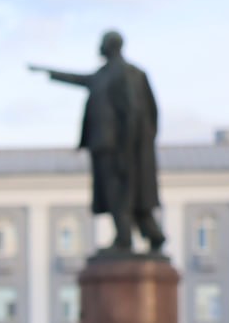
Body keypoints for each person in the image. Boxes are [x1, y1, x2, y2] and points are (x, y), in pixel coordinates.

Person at [30, 31, 164, 254]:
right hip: (105, 146)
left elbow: (134, 112)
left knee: (121, 194)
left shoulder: (128, 74)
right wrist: (49, 73)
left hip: (120, 148)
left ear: (110, 46)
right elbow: (81, 80)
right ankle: (147, 236)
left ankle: (127, 239)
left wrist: (127, 149)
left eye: (101, 44)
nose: (98, 48)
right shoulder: (104, 74)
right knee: (121, 195)